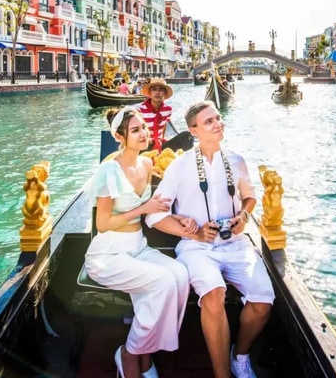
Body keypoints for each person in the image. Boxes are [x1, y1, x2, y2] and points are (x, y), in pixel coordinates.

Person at [146, 101, 274, 378]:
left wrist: (242, 215)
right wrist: (193, 232)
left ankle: (239, 356)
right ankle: (222, 375)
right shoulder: (180, 166)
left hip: (235, 244)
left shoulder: (237, 161)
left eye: (218, 118)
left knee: (264, 300)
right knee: (214, 293)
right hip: (196, 248)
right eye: (209, 121)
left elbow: (250, 197)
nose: (218, 124)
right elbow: (154, 216)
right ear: (193, 130)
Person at [85, 107, 196, 378]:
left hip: (138, 245)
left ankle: (145, 355)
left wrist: (178, 218)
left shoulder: (147, 164)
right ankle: (130, 354)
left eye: (144, 127)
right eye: (135, 130)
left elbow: (153, 212)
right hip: (109, 252)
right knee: (161, 282)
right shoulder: (109, 169)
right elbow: (103, 224)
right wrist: (143, 208)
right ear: (120, 137)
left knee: (180, 276)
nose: (143, 133)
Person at [139, 78, 174, 152]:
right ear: (150, 93)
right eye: (154, 89)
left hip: (159, 142)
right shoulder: (139, 109)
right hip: (145, 144)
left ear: (164, 93)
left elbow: (164, 124)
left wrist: (162, 138)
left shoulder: (168, 110)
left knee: (186, 135)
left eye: (160, 90)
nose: (157, 92)